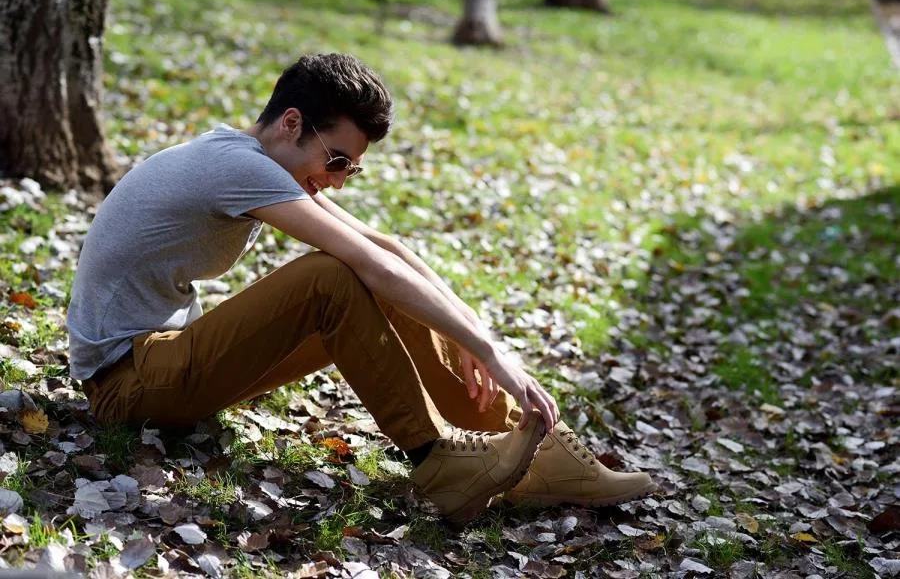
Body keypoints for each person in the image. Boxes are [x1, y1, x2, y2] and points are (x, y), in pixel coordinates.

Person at [67, 53, 655, 526]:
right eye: (338, 159)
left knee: (370, 279)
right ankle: (436, 461)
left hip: (169, 365)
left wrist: (482, 342)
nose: (339, 181)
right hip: (126, 386)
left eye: (352, 169)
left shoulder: (245, 157)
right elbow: (366, 264)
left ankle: (531, 443)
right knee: (332, 278)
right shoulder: (235, 166)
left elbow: (391, 250)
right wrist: (491, 351)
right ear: (291, 123)